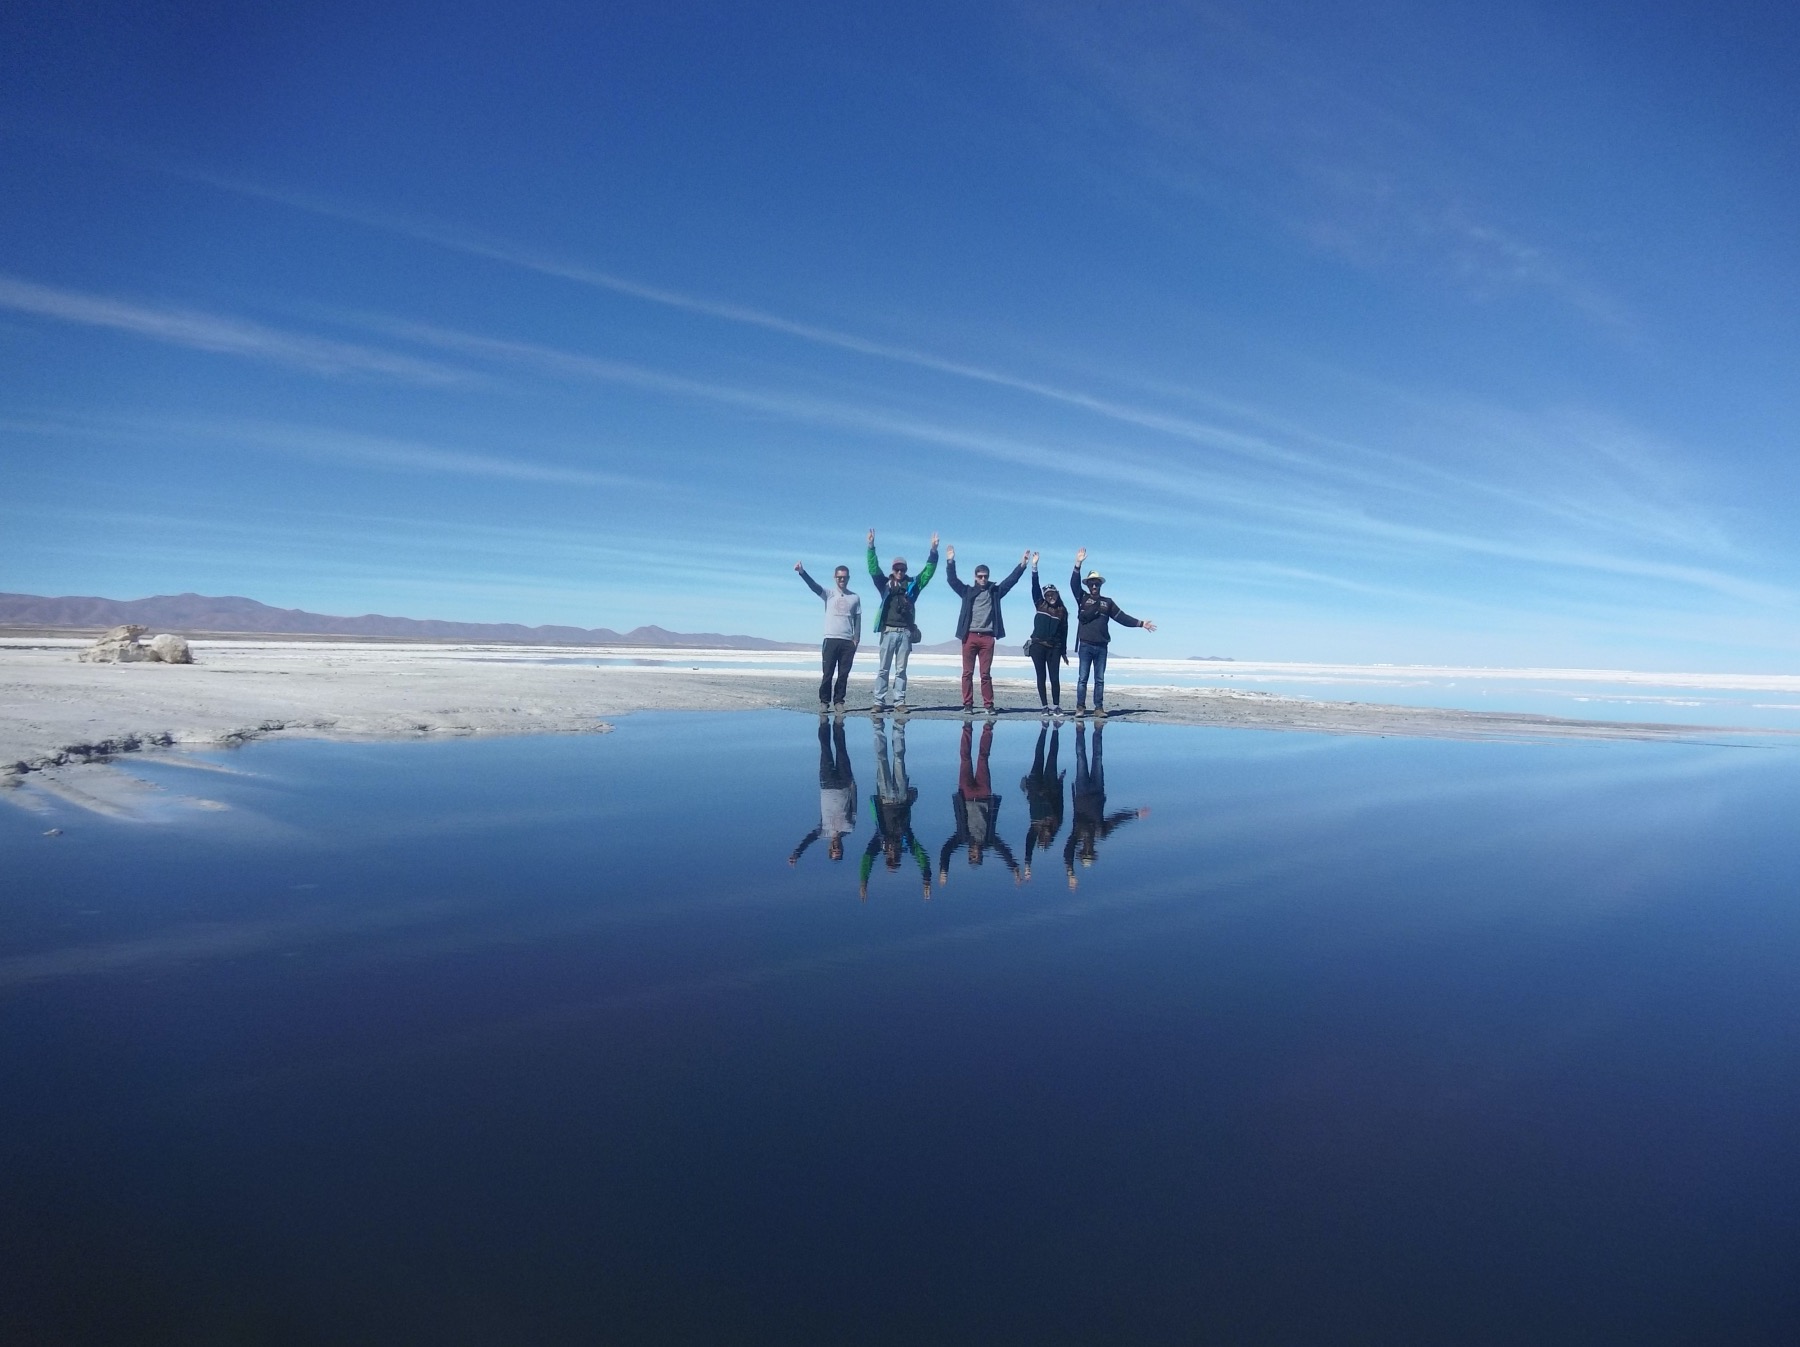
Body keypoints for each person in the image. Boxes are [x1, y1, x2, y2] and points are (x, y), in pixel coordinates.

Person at [1069, 548, 1156, 717]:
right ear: (1087, 585)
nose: (1094, 586)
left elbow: (1122, 617)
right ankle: (1080, 707)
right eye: (1091, 583)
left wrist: (1141, 623)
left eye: (1097, 583)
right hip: (1086, 645)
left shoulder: (1107, 603)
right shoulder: (1082, 598)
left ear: (1100, 585)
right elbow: (1073, 584)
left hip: (1101, 646)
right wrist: (1078, 564)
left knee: (1099, 679)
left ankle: (1098, 708)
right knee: (1083, 678)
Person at [1063, 721, 1148, 889]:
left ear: (1081, 851)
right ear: (1093, 852)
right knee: (1098, 757)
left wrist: (1070, 872)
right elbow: (1116, 820)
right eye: (1090, 854)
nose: (1087, 851)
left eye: (1085, 853)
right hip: (1098, 789)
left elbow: (1067, 851)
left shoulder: (1076, 835)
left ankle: (1079, 730)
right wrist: (1134, 814)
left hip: (1081, 791)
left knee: (1081, 756)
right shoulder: (1101, 833)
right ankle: (1098, 729)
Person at [944, 544, 1028, 714]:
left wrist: (1023, 565)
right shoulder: (967, 591)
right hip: (969, 637)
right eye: (980, 576)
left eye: (985, 576)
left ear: (988, 577)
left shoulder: (994, 592)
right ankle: (968, 704)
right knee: (967, 673)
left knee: (985, 674)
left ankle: (988, 705)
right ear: (975, 577)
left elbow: (1010, 581)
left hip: (987, 638)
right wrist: (950, 561)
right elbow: (952, 581)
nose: (983, 579)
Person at [937, 720, 1022, 885]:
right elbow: (1003, 850)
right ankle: (988, 728)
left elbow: (946, 849)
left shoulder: (962, 838)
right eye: (975, 856)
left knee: (965, 759)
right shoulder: (989, 840)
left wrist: (943, 870)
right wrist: (1014, 868)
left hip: (966, 794)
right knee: (983, 758)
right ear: (981, 854)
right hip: (984, 794)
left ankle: (967, 727)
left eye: (970, 856)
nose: (972, 853)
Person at [866, 529, 939, 714]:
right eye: (897, 569)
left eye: (903, 569)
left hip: (905, 633)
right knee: (883, 669)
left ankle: (899, 702)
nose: (899, 572)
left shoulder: (913, 585)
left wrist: (933, 550)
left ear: (906, 570)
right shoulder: (884, 584)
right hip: (888, 631)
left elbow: (927, 573)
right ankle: (879, 702)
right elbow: (873, 569)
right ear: (893, 570)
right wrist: (871, 547)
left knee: (901, 671)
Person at [860, 716, 932, 900]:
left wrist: (863, 882)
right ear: (899, 856)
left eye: (889, 860)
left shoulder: (880, 840)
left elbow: (867, 859)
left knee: (881, 758)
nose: (892, 856)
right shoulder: (905, 838)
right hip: (900, 796)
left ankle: (878, 725)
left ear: (886, 857)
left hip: (884, 796)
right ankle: (899, 727)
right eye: (895, 860)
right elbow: (920, 854)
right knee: (898, 759)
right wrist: (926, 878)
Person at [794, 557, 862, 712]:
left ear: (848, 578)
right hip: (831, 639)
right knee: (828, 673)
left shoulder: (855, 597)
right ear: (835, 578)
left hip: (847, 642)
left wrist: (856, 639)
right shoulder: (829, 594)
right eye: (839, 577)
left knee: (843, 674)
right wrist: (802, 572)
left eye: (844, 577)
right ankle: (824, 702)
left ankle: (839, 702)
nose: (842, 580)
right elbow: (813, 586)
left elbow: (858, 619)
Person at [790, 717, 857, 866]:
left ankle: (824, 723)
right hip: (844, 782)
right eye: (838, 849)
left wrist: (797, 853)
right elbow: (854, 806)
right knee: (841, 749)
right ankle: (839, 724)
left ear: (829, 848)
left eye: (833, 849)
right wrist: (853, 785)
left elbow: (808, 839)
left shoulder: (823, 833)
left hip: (826, 784)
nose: (836, 846)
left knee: (825, 749)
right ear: (842, 847)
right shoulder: (849, 828)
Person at [1024, 552, 1069, 715]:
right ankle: (1044, 707)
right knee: (1041, 677)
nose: (1050, 597)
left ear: (1057, 595)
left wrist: (1063, 651)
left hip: (1054, 648)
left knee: (1054, 677)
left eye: (1053, 594)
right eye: (1048, 594)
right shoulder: (1040, 604)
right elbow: (1035, 587)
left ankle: (1056, 706)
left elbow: (1064, 632)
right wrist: (1034, 567)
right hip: (1037, 646)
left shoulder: (1062, 611)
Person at [1020, 721, 1065, 882]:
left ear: (1039, 837)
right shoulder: (1057, 822)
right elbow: (1060, 802)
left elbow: (1028, 844)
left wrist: (1027, 865)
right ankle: (1056, 729)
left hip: (1035, 785)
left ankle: (1044, 728)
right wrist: (1061, 782)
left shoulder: (1034, 828)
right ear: (1050, 839)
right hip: (1051, 786)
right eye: (1046, 841)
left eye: (1041, 840)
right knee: (1052, 756)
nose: (1044, 839)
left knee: (1039, 755)